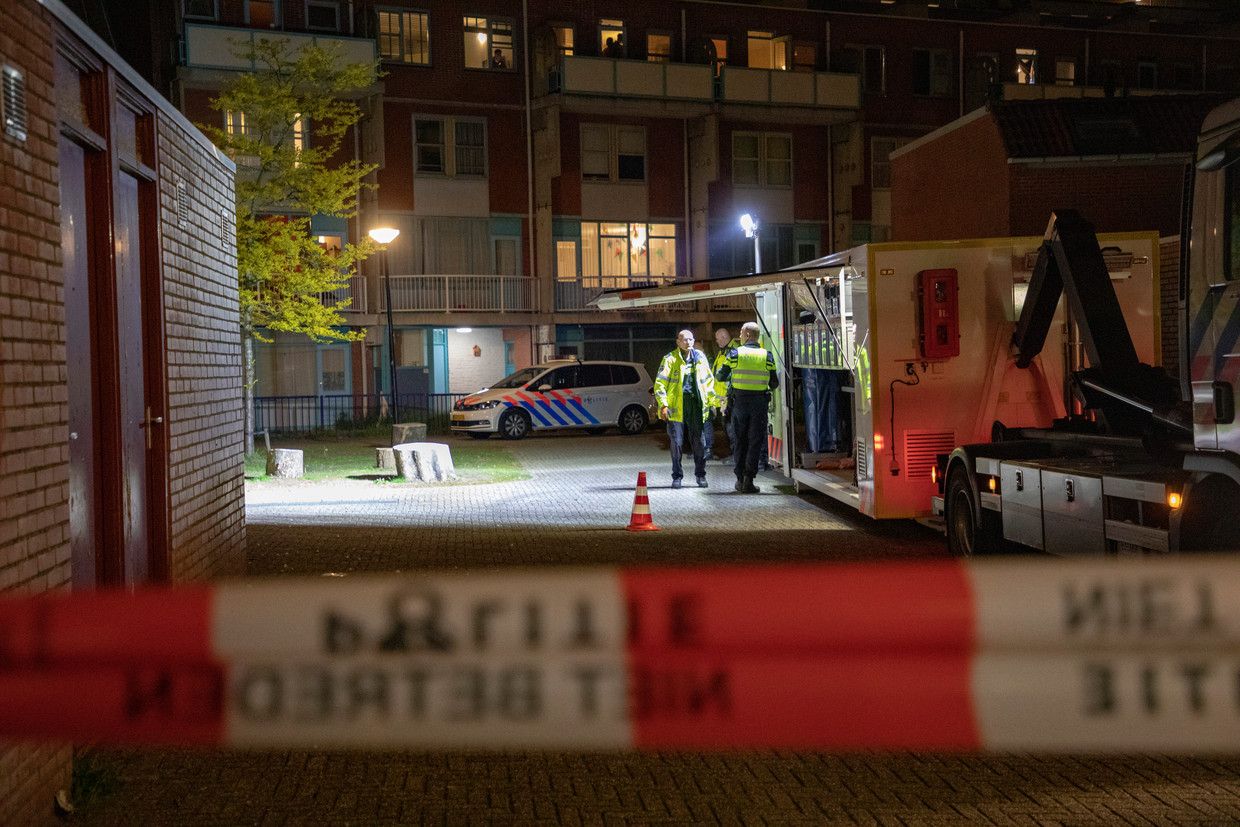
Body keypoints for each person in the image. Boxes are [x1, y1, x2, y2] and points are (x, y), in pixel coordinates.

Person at [715, 321, 778, 493]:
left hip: (740, 404)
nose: (739, 336)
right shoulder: (767, 356)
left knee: (740, 442)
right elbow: (774, 383)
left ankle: (739, 480)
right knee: (755, 442)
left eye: (741, 333)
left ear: (748, 335)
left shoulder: (735, 354)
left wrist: (734, 376)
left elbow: (720, 377)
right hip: (759, 404)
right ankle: (749, 480)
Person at [653, 329, 716, 488]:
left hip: (695, 405)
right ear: (678, 342)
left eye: (691, 339)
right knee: (677, 443)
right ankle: (677, 476)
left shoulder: (700, 358)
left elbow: (708, 381)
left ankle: (701, 475)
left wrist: (712, 403)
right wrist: (663, 405)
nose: (688, 342)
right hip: (676, 407)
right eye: (685, 340)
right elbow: (660, 384)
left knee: (699, 442)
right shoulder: (670, 359)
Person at [707, 327, 740, 462]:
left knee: (732, 428)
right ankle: (734, 454)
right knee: (727, 427)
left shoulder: (733, 352)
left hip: (729, 398)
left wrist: (727, 397)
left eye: (717, 339)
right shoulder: (723, 352)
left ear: (724, 338)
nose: (716, 341)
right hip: (722, 400)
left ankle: (736, 455)